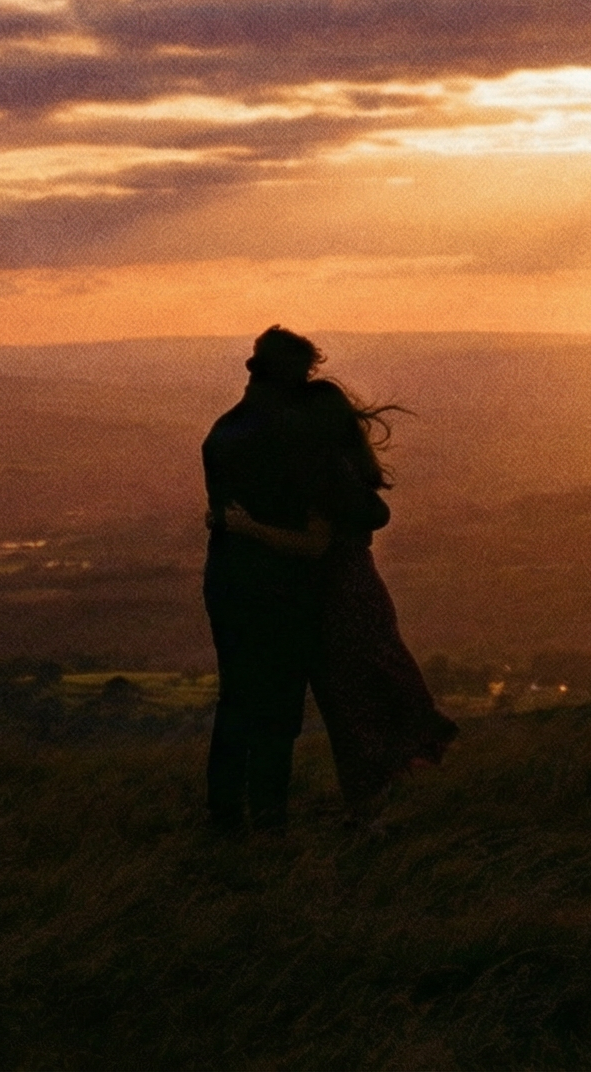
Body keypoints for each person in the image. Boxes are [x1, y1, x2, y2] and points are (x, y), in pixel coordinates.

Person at [201, 327, 455, 829]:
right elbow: (357, 517)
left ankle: (228, 816)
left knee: (241, 702)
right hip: (290, 589)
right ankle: (271, 815)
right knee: (290, 710)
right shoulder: (295, 440)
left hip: (233, 582)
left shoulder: (222, 434)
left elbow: (229, 513)